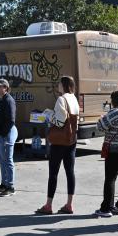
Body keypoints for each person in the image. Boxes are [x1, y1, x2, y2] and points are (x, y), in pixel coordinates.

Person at [36, 76, 80, 215]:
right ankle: (69, 204)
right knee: (70, 172)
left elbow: (60, 121)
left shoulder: (61, 99)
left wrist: (49, 115)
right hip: (71, 139)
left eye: (59, 84)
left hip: (59, 141)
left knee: (53, 173)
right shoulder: (74, 98)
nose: (58, 86)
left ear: (64, 85)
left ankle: (48, 205)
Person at [0, 78, 18, 197]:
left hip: (7, 135)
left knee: (8, 160)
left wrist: (3, 134)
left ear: (5, 88)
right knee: (2, 161)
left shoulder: (9, 100)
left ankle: (10, 187)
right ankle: (4, 184)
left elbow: (11, 120)